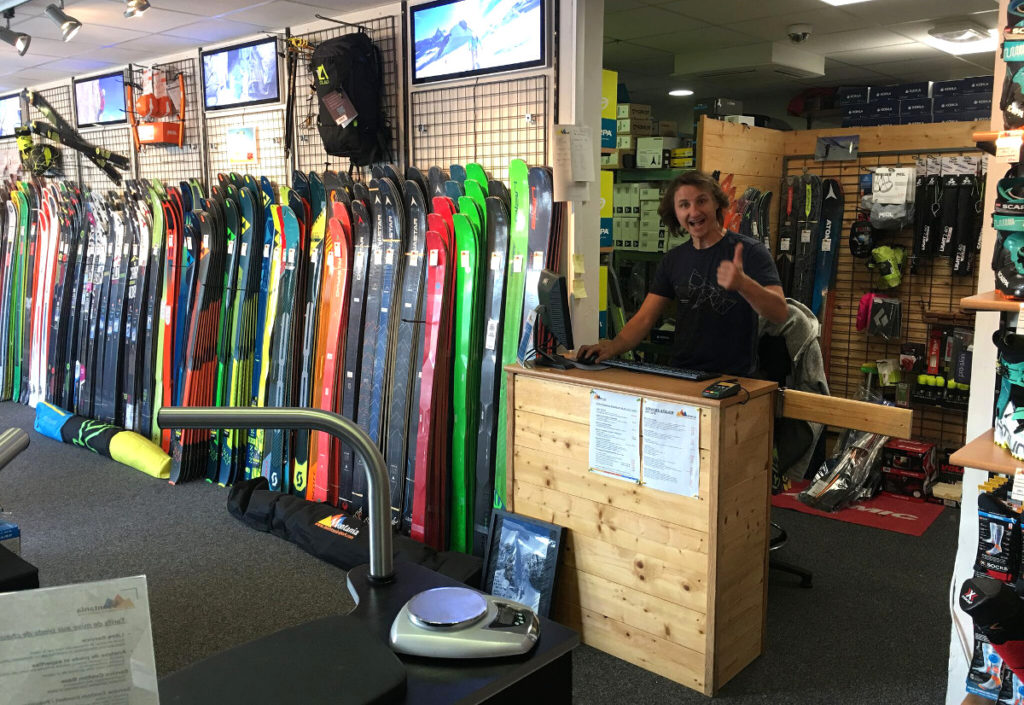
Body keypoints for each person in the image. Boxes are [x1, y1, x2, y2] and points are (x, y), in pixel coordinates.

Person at [577, 170, 788, 376]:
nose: (694, 212)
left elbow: (779, 313)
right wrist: (612, 347)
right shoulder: (673, 260)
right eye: (684, 205)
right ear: (675, 213)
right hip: (683, 375)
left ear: (716, 203)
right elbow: (644, 319)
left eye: (701, 201)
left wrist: (744, 284)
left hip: (734, 381)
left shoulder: (750, 252)